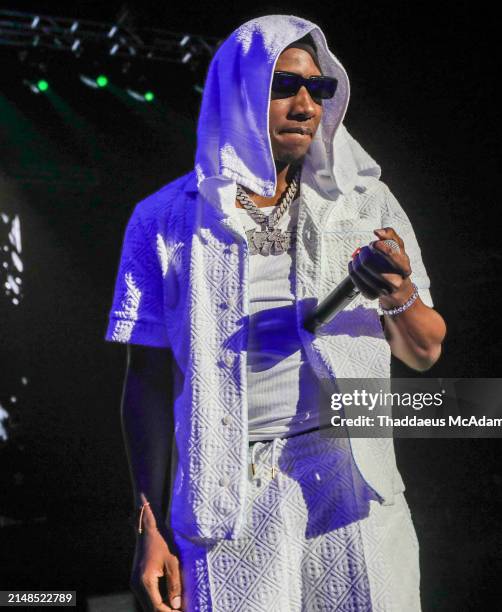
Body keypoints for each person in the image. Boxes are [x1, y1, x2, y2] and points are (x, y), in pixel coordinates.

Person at [105, 14, 446, 612]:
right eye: (284, 86)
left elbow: (425, 349)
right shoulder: (163, 220)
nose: (305, 105)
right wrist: (148, 525)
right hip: (227, 492)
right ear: (239, 91)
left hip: (350, 480)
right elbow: (147, 382)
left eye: (320, 89)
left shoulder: (365, 202)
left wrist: (399, 294)